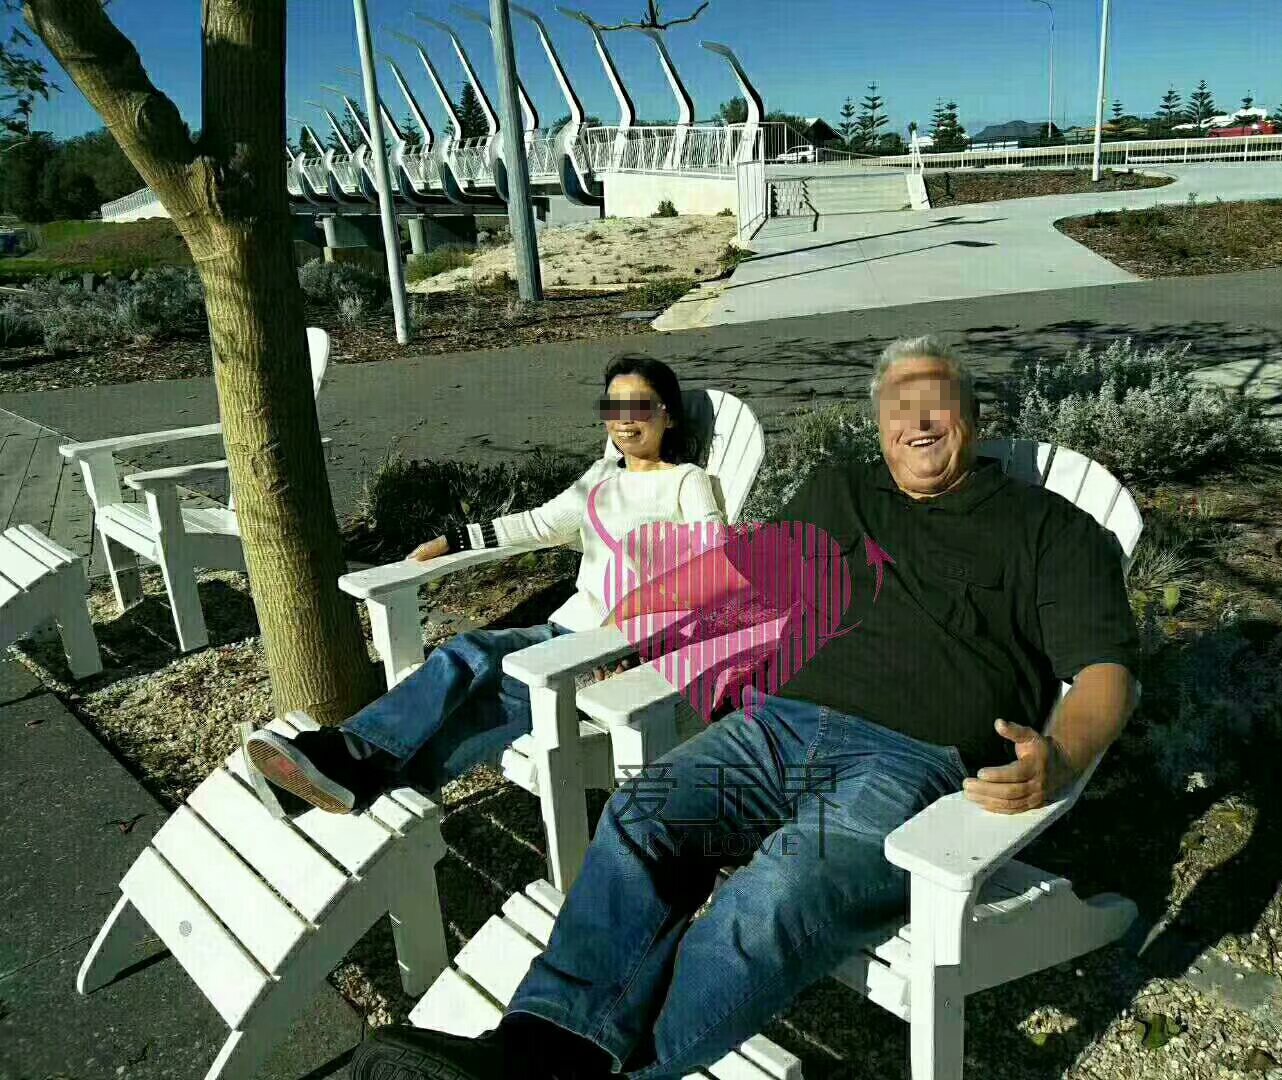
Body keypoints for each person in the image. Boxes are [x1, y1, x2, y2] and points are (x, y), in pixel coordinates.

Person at [350, 336, 1141, 1080]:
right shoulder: (845, 490)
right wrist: (634, 620)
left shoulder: (1050, 529)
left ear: (972, 413)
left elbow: (1107, 674)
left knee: (777, 895)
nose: (918, 421)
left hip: (911, 763)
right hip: (777, 726)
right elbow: (738, 568)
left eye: (935, 401)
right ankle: (535, 1051)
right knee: (641, 815)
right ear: (879, 426)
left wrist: (1062, 756)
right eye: (898, 407)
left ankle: (557, 1070)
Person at [245, 355, 724, 814]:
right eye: (614, 406)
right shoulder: (601, 477)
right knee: (478, 685)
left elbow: (716, 565)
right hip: (563, 636)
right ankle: (350, 775)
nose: (625, 420)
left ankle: (344, 758)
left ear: (668, 416)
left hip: (616, 652)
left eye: (640, 406)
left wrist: (635, 632)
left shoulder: (686, 481)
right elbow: (536, 524)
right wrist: (453, 539)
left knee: (478, 667)